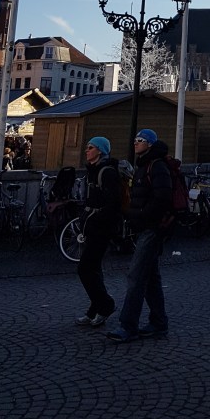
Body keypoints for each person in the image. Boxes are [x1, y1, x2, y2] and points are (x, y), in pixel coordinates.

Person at [107, 129, 172, 343]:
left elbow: (163, 197)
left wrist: (143, 215)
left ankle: (128, 325)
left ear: (150, 144)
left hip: (152, 227)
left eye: (140, 140)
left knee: (136, 276)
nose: (136, 143)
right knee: (151, 277)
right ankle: (159, 322)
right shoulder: (144, 165)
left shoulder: (157, 166)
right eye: (135, 139)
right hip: (145, 226)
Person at [75, 137, 120, 327]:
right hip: (92, 227)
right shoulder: (93, 171)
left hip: (101, 229)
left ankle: (106, 305)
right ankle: (96, 309)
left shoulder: (107, 173)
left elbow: (113, 204)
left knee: (85, 268)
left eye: (90, 147)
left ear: (100, 151)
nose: (87, 150)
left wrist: (94, 217)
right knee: (93, 270)